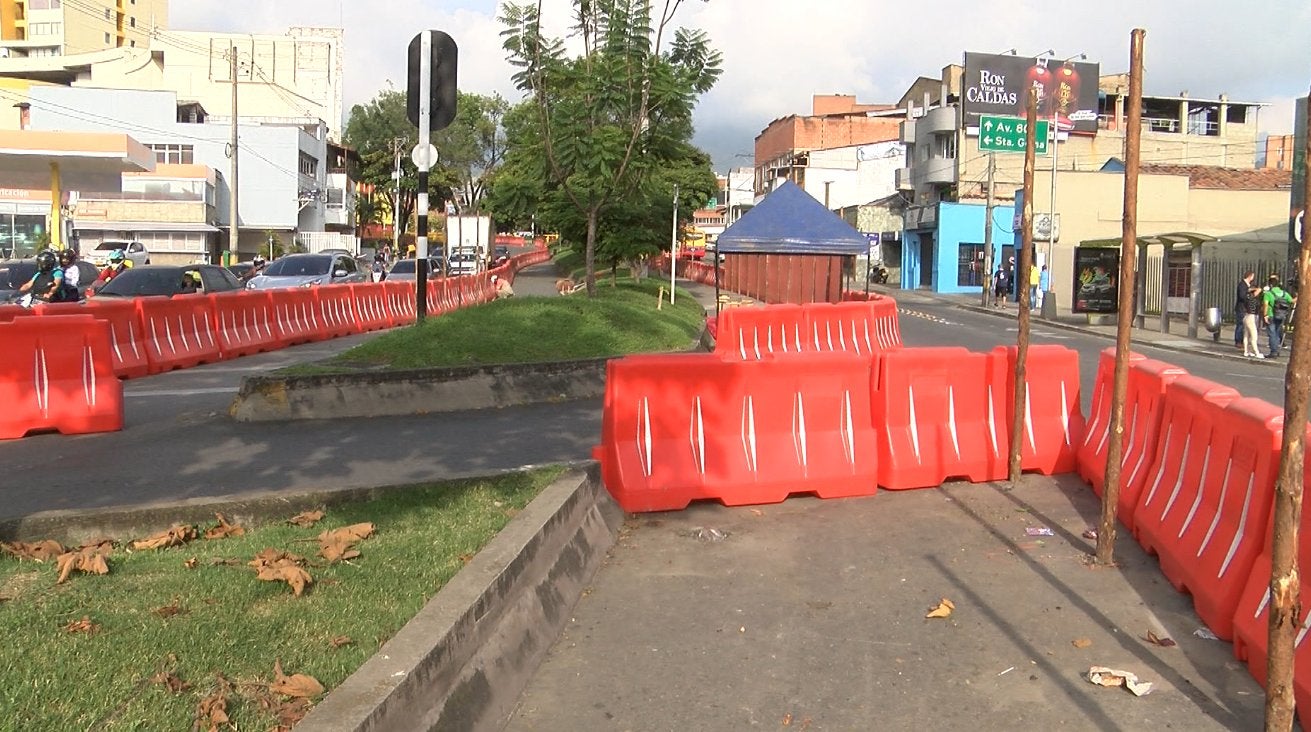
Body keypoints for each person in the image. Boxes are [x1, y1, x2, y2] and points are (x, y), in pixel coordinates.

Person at [1262, 274, 1296, 359]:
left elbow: (1265, 305)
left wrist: (1265, 315)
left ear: (1270, 284)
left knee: (1272, 334)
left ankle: (1273, 352)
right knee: (1277, 333)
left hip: (1271, 315)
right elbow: (1292, 301)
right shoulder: (1284, 293)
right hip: (1281, 316)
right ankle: (1276, 350)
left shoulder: (1268, 294)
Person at [1241, 283, 1264, 359]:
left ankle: (1246, 351)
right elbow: (1259, 290)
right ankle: (1256, 352)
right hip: (1251, 317)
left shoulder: (1247, 296)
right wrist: (1258, 289)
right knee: (1254, 336)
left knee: (1246, 335)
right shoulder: (1252, 297)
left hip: (1246, 316)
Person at [1234, 271, 1255, 349]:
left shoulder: (1247, 285)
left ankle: (1242, 341)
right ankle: (1238, 341)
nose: (1253, 278)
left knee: (1244, 326)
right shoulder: (1242, 285)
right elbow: (1242, 296)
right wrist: (1249, 294)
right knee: (1240, 324)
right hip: (1241, 308)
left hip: (1245, 308)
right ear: (1250, 276)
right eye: (1253, 276)